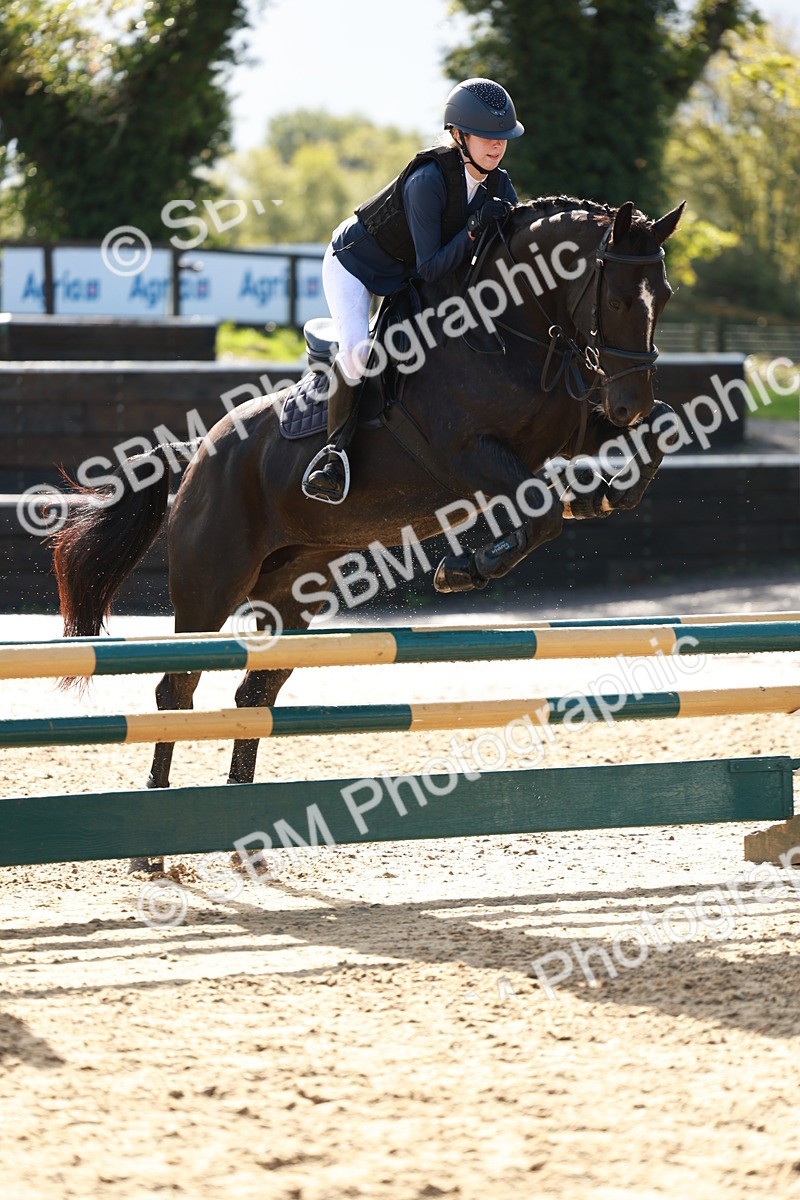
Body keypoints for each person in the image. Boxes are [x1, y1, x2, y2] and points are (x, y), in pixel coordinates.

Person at [302, 77, 523, 504]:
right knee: (359, 354)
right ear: (459, 136)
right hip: (357, 265)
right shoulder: (429, 180)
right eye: (486, 137)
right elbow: (432, 269)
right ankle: (333, 457)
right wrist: (477, 231)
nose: (497, 147)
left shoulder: (500, 185)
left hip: (404, 275)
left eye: (503, 139)